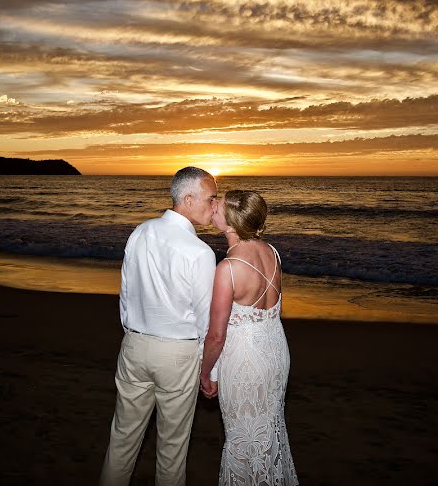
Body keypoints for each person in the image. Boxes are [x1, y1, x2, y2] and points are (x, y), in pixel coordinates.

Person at [99, 166, 218, 486]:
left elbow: (125, 293)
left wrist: (133, 332)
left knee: (122, 439)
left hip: (134, 346)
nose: (214, 206)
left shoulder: (140, 232)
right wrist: (211, 372)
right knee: (172, 449)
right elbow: (206, 320)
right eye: (211, 198)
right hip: (177, 354)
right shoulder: (200, 253)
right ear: (188, 198)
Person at [199, 190, 299, 485]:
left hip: (246, 361)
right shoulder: (272, 253)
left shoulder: (227, 269)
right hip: (276, 351)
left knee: (243, 440)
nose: (213, 205)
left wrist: (205, 373)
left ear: (230, 224)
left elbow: (216, 336)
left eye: (218, 204)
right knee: (268, 430)